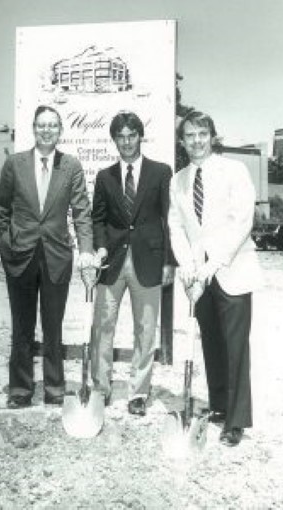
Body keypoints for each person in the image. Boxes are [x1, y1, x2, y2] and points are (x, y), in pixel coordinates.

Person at [168, 110, 262, 447]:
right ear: (182, 141)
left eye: (202, 133)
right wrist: (187, 265)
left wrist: (212, 265)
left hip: (231, 270)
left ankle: (236, 421)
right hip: (198, 276)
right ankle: (220, 405)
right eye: (190, 135)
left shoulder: (234, 170)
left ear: (212, 136)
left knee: (235, 346)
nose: (196, 140)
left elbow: (242, 222)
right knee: (211, 342)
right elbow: (176, 226)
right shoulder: (177, 180)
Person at [0, 105, 93, 408]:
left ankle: (54, 388)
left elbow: (82, 213)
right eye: (41, 125)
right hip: (20, 257)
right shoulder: (14, 164)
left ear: (60, 130)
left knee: (53, 326)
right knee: (21, 325)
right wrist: (6, 246)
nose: (46, 131)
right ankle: (21, 390)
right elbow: (1, 212)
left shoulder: (71, 166)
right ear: (33, 129)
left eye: (52, 126)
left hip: (56, 257)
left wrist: (86, 249)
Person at [91, 111, 174, 416]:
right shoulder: (104, 176)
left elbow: (169, 220)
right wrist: (100, 247)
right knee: (102, 326)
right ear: (115, 140)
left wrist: (169, 262)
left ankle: (138, 392)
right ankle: (100, 388)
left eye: (131, 135)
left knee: (145, 329)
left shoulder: (160, 172)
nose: (126, 142)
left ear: (140, 136)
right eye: (120, 137)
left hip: (149, 261)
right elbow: (97, 218)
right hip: (111, 263)